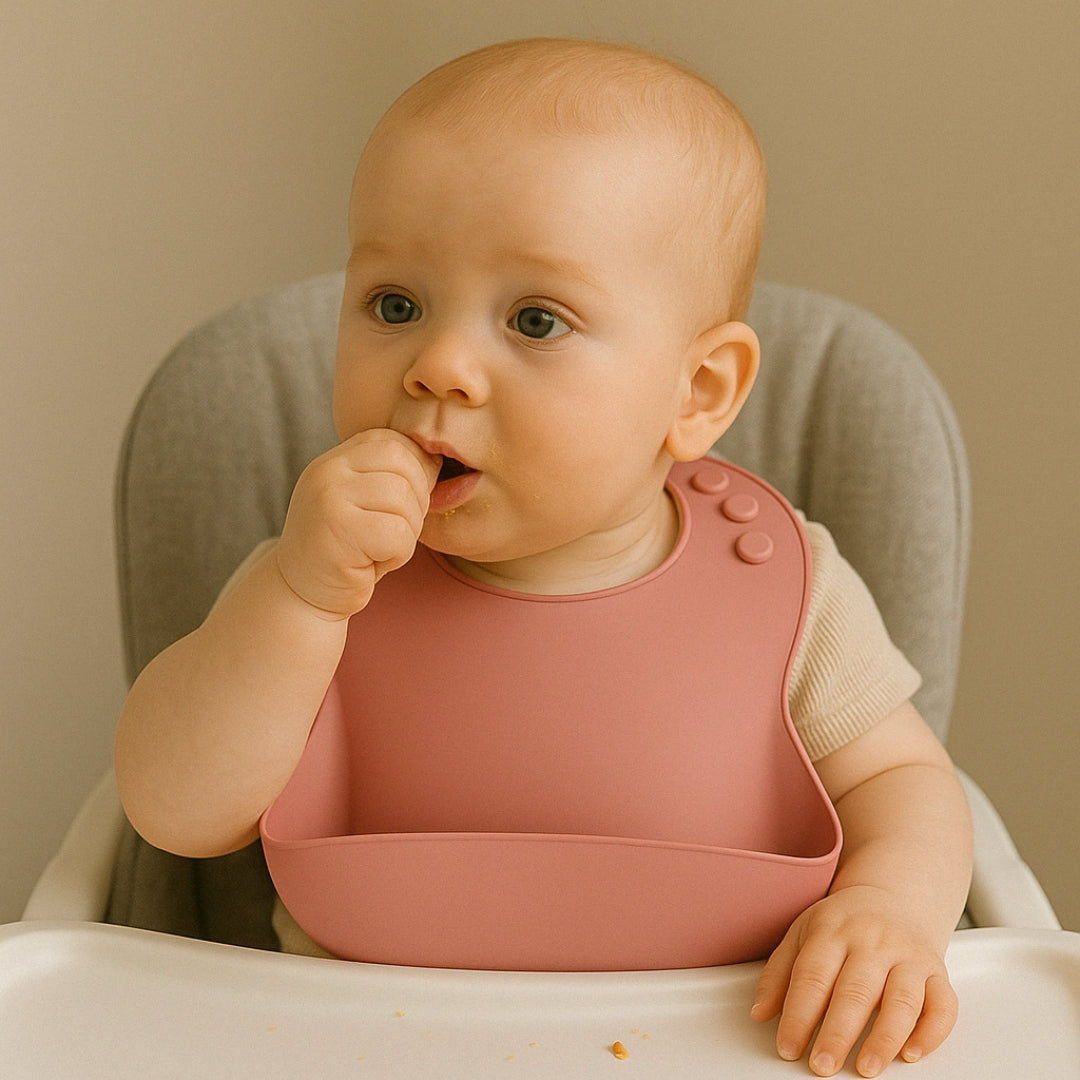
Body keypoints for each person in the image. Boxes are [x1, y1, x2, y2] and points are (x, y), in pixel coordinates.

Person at [114, 38, 973, 1078]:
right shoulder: (321, 580)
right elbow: (173, 810)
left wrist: (889, 908)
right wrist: (296, 597)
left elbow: (904, 782)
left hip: (720, 1048)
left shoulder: (785, 584)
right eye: (395, 305)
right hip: (364, 1050)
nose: (437, 365)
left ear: (698, 393)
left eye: (535, 319)